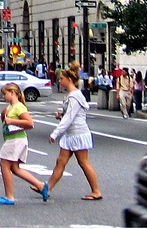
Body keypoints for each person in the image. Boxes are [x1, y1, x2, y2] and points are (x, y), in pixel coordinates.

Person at [46, 68, 102, 201]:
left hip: (78, 132)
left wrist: (55, 133)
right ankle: (47, 188)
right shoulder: (71, 95)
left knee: (83, 162)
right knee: (60, 161)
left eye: (61, 79)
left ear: (69, 80)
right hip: (70, 133)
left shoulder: (74, 96)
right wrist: (61, 115)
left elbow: (70, 117)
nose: (59, 81)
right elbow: (69, 115)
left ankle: (96, 191)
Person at [0, 82, 48, 205]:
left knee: (4, 165)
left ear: (12, 93)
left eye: (5, 94)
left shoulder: (19, 107)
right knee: (15, 168)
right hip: (13, 138)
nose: (3, 97)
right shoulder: (9, 108)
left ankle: (9, 196)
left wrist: (10, 120)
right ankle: (40, 185)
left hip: (16, 139)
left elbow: (29, 123)